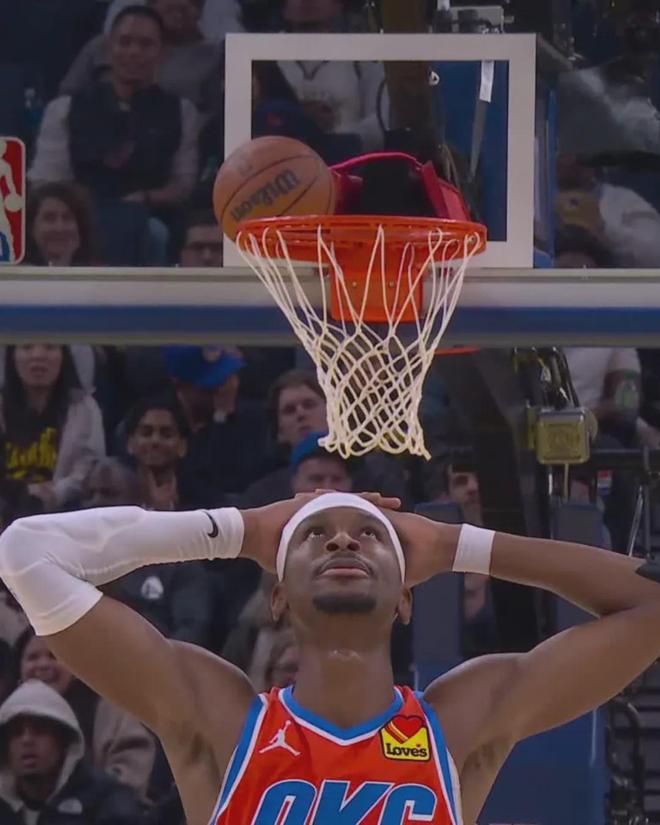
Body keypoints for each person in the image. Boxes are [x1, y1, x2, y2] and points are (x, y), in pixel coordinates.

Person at [4, 490, 660, 824]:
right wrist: (237, 529)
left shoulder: (459, 723)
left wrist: (456, 545)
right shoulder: (220, 718)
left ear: (406, 596)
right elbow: (26, 553)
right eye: (313, 533)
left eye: (371, 534)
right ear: (278, 596)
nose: (343, 540)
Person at [28, 6, 199, 216]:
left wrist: (146, 198)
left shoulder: (183, 111)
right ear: (108, 48)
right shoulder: (64, 109)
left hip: (151, 219)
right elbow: (47, 181)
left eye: (146, 44)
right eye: (124, 42)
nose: (134, 52)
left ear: (162, 53)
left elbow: (183, 185)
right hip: (78, 220)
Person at [13, 629, 156, 801]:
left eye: (53, 656)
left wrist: (83, 804)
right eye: (32, 658)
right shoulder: (7, 718)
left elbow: (130, 773)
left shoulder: (108, 709)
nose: (43, 664)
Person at [0, 680, 143, 824]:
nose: (27, 740)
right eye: (16, 732)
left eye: (40, 730)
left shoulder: (109, 801)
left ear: (64, 740)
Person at [61, 0, 221, 118]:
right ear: (151, 2)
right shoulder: (102, 45)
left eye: (195, 3)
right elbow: (66, 100)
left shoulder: (213, 56)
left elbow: (215, 117)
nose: (183, 4)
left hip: (174, 142)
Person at [0, 345, 105, 511]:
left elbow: (90, 465)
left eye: (50, 347)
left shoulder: (84, 408)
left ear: (64, 356)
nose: (38, 355)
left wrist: (58, 492)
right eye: (27, 348)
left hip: (65, 509)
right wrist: (20, 492)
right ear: (12, 357)